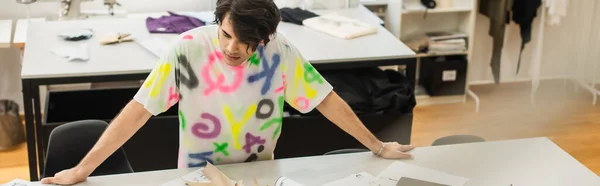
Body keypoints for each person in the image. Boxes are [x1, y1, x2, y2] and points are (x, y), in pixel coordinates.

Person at [41, 0, 414, 184]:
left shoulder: (279, 51)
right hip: (199, 177)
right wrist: (81, 170)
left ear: (264, 39)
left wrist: (378, 147)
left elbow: (325, 99)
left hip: (260, 175)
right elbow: (139, 109)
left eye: (246, 41)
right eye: (226, 34)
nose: (232, 48)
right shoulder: (187, 48)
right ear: (218, 22)